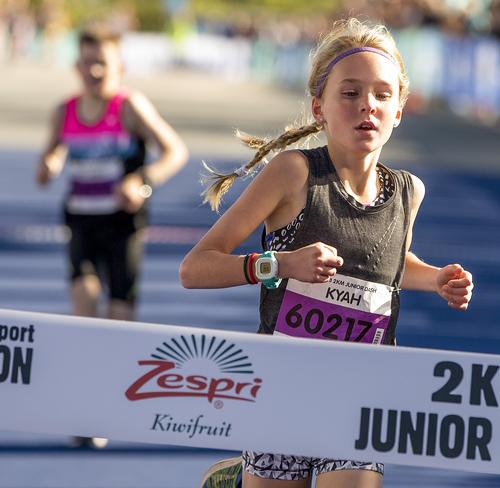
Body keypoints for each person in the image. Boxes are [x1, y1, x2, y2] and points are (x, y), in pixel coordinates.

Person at [180, 17, 473, 488]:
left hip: (361, 390)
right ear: (319, 108)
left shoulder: (407, 192)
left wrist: (435, 278)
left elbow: (385, 267)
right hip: (281, 386)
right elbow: (195, 269)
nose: (367, 107)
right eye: (350, 93)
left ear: (400, 110)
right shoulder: (293, 174)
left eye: (382, 95)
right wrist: (281, 265)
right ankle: (243, 475)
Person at [35, 25, 188, 447]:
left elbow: (175, 151)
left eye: (103, 62)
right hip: (81, 223)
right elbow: (52, 153)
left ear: (119, 66)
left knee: (117, 328)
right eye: (87, 62)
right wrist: (48, 164)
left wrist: (143, 181)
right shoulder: (63, 110)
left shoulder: (130, 107)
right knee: (85, 318)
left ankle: (103, 410)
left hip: (123, 227)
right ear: (76, 66)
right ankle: (84, 412)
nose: (95, 70)